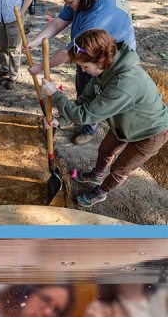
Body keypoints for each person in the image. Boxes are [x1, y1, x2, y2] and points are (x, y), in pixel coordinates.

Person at [41, 28, 168, 208]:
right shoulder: (105, 69)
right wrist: (61, 120)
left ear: (100, 60)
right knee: (105, 150)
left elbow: (85, 115)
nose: (83, 71)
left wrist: (56, 94)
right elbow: (85, 100)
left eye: (85, 67)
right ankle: (96, 175)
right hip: (124, 124)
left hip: (151, 131)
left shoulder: (123, 84)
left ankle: (102, 191)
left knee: (120, 169)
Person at [26, 0, 136, 144]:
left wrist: (41, 69)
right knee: (84, 92)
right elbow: (59, 21)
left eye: (70, 2)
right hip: (91, 53)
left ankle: (88, 129)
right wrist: (33, 43)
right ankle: (74, 116)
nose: (70, 6)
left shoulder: (98, 16)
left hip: (107, 56)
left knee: (93, 96)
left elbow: (67, 54)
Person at [0, 0, 33, 89]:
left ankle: (13, 76)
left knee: (14, 49)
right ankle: (4, 69)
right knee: (2, 46)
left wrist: (22, 12)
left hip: (14, 18)